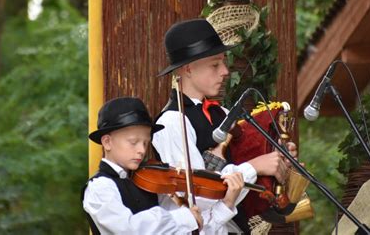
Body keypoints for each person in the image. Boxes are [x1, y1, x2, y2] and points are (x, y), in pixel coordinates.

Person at [153, 18, 297, 233]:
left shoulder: (224, 114)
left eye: (223, 62)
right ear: (188, 69)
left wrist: (279, 160)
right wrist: (255, 166)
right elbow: (198, 198)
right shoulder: (172, 122)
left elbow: (246, 174)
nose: (225, 71)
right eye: (215, 64)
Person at [82, 96, 246, 234]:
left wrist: (226, 205)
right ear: (107, 142)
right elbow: (130, 229)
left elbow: (195, 231)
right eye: (133, 142)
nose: (141, 150)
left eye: (146, 143)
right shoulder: (100, 188)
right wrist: (183, 218)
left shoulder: (150, 185)